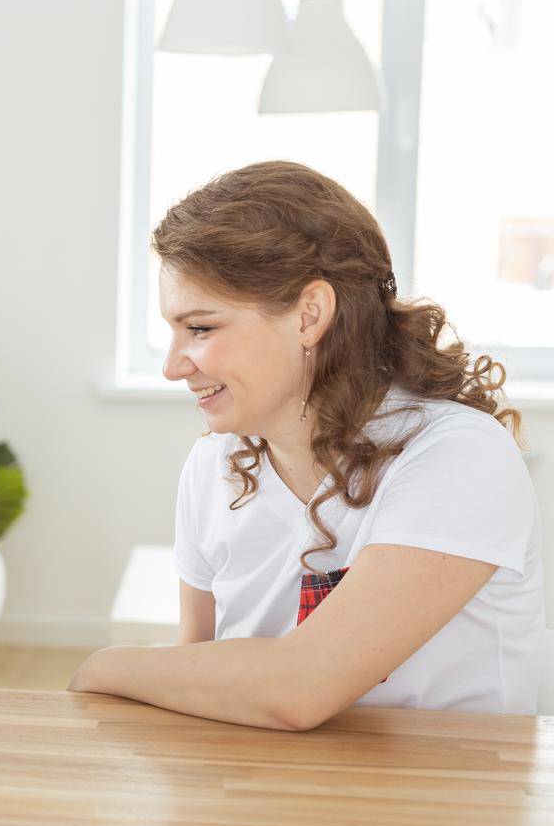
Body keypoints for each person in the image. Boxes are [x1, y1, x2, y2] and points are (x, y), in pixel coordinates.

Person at [70, 161, 542, 728]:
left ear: (309, 315)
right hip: (261, 793)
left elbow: (301, 687)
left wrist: (102, 669)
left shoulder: (459, 455)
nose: (174, 366)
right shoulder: (212, 467)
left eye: (200, 329)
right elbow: (193, 678)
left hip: (441, 802)